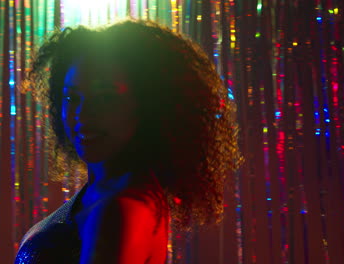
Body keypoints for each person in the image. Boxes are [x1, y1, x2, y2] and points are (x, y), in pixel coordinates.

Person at [15, 18, 243, 264]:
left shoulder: (122, 208)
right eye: (71, 98)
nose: (83, 114)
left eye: (105, 98)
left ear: (146, 104)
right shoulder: (105, 192)